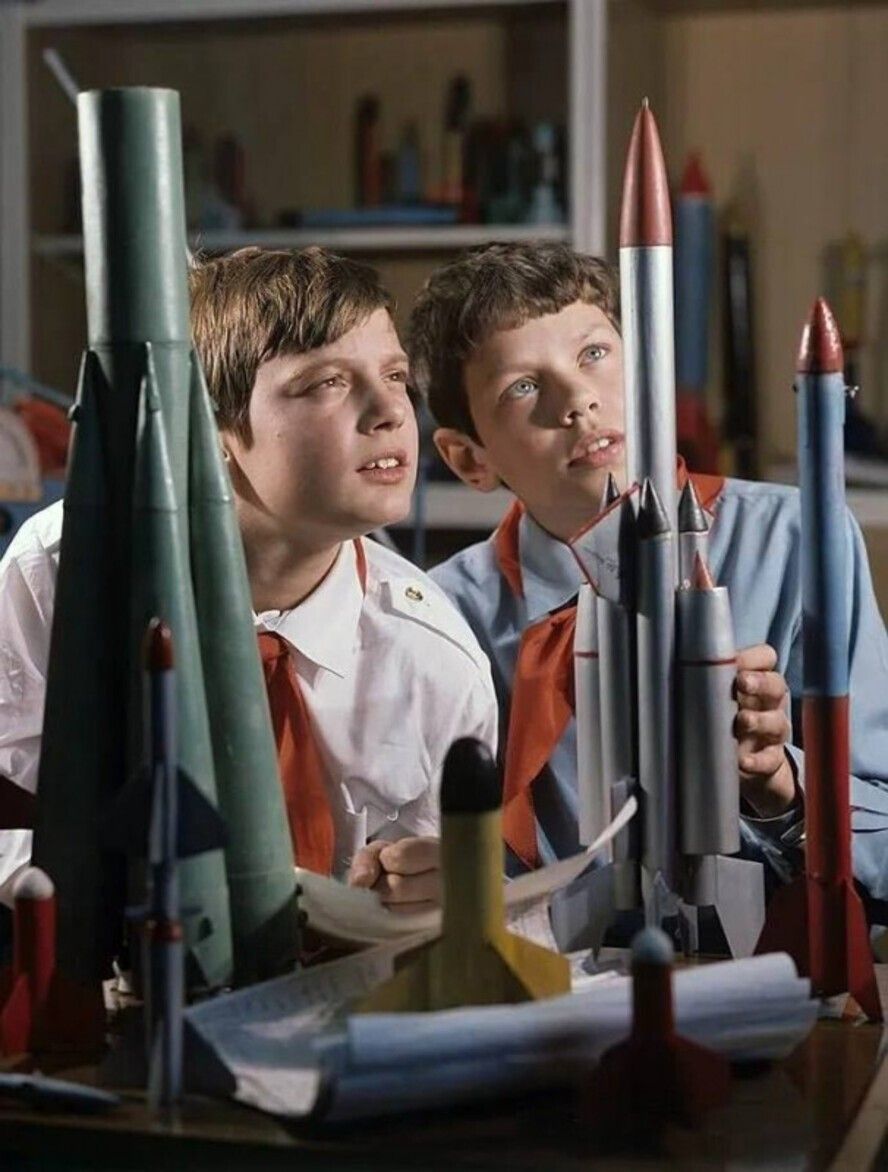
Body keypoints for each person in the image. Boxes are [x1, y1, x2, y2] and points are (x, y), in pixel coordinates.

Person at [408, 241, 888, 943]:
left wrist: (780, 784)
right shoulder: (441, 615)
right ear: (468, 459)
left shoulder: (797, 540)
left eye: (594, 353)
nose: (579, 400)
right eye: (523, 387)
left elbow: (882, 835)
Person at [0, 246, 497, 914]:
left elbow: (431, 883)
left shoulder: (432, 654)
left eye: (395, 375)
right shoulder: (58, 578)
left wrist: (426, 894)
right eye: (326, 382)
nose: (391, 410)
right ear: (210, 428)